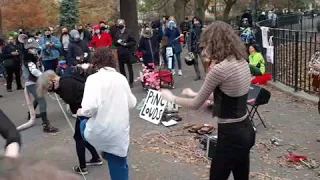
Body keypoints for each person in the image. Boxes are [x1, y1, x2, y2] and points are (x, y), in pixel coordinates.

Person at [160, 21, 255, 180]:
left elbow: (196, 104)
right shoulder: (242, 61)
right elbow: (228, 95)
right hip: (246, 129)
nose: (205, 48)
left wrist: (172, 98)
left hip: (231, 135)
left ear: (214, 43)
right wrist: (194, 93)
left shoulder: (220, 69)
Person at [76, 47, 137, 180]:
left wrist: (81, 111)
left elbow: (89, 108)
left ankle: (104, 150)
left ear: (96, 61)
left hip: (99, 131)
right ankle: (108, 153)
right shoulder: (121, 78)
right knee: (120, 162)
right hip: (119, 133)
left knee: (82, 125)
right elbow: (132, 103)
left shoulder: (92, 79)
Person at [36, 69, 102, 175]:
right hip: (87, 108)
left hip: (86, 109)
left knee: (79, 137)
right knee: (82, 135)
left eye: (48, 89)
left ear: (50, 81)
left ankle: (83, 167)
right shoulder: (65, 81)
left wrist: (76, 111)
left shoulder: (65, 84)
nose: (49, 92)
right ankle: (95, 158)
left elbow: (72, 100)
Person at [21, 35, 59, 133]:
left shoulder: (35, 56)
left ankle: (31, 113)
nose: (33, 49)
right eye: (31, 48)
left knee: (38, 99)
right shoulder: (28, 59)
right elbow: (33, 71)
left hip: (36, 81)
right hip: (31, 83)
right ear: (27, 49)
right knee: (42, 100)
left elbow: (42, 51)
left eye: (34, 48)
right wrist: (44, 76)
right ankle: (46, 125)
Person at [115, 19, 136, 88]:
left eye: (121, 24)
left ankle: (131, 82)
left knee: (129, 67)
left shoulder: (129, 32)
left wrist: (126, 44)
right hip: (120, 52)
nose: (119, 26)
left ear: (124, 24)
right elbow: (115, 43)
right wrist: (118, 42)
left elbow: (133, 42)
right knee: (121, 68)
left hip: (127, 52)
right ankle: (124, 81)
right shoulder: (117, 33)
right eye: (118, 25)